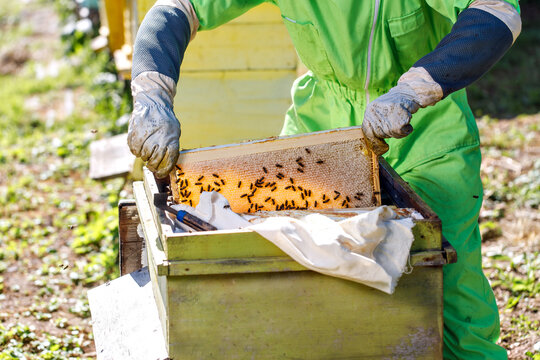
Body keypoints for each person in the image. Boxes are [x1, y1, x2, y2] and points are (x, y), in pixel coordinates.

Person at [127, 0, 521, 358]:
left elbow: (497, 12)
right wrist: (151, 94)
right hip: (321, 130)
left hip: (427, 131)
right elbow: (178, 9)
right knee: (297, 281)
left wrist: (414, 90)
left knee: (446, 286)